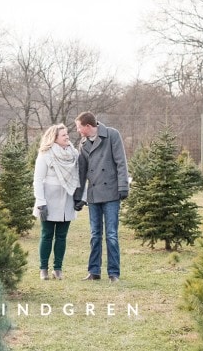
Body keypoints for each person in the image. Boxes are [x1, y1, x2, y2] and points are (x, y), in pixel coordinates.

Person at [74, 111, 129, 282]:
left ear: (88, 126)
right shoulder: (83, 144)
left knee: (111, 234)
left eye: (79, 127)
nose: (78, 131)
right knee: (94, 234)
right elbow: (81, 173)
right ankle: (94, 271)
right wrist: (78, 197)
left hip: (111, 193)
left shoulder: (112, 135)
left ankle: (114, 273)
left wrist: (123, 186)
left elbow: (121, 162)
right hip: (94, 195)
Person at [32, 124, 81, 280]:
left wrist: (80, 197)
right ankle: (43, 269)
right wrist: (41, 202)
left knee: (61, 236)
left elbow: (78, 177)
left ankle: (58, 268)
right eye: (63, 135)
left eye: (67, 134)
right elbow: (38, 180)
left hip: (67, 198)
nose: (67, 137)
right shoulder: (45, 154)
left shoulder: (74, 154)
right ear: (54, 138)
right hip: (48, 200)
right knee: (47, 235)